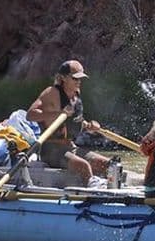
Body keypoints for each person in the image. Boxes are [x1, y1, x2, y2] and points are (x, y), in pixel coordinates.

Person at [26, 59, 109, 188]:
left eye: (80, 79)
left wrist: (89, 126)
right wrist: (57, 114)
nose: (78, 82)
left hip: (71, 147)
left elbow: (76, 122)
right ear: (63, 78)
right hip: (51, 151)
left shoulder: (76, 95)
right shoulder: (51, 93)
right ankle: (92, 187)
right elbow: (30, 114)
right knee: (83, 165)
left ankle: (102, 185)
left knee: (105, 163)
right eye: (75, 79)